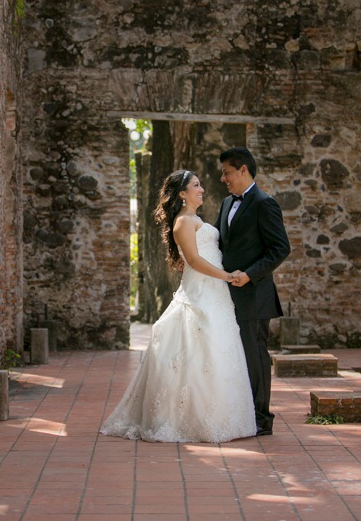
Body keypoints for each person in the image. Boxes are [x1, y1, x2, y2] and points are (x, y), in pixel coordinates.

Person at [100, 170, 257, 443]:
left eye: (200, 184)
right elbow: (194, 261)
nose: (202, 189)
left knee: (218, 352)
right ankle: (186, 419)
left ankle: (221, 416)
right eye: (196, 185)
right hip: (200, 291)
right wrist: (228, 276)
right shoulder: (183, 222)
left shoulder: (195, 219)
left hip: (215, 293)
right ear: (182, 194)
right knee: (195, 352)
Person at [215, 147, 290, 437]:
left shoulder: (264, 203)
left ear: (243, 169)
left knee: (255, 356)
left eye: (227, 172)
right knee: (235, 355)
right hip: (226, 296)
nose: (223, 178)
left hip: (255, 296)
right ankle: (241, 413)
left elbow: (280, 249)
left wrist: (249, 275)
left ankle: (262, 419)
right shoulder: (225, 204)